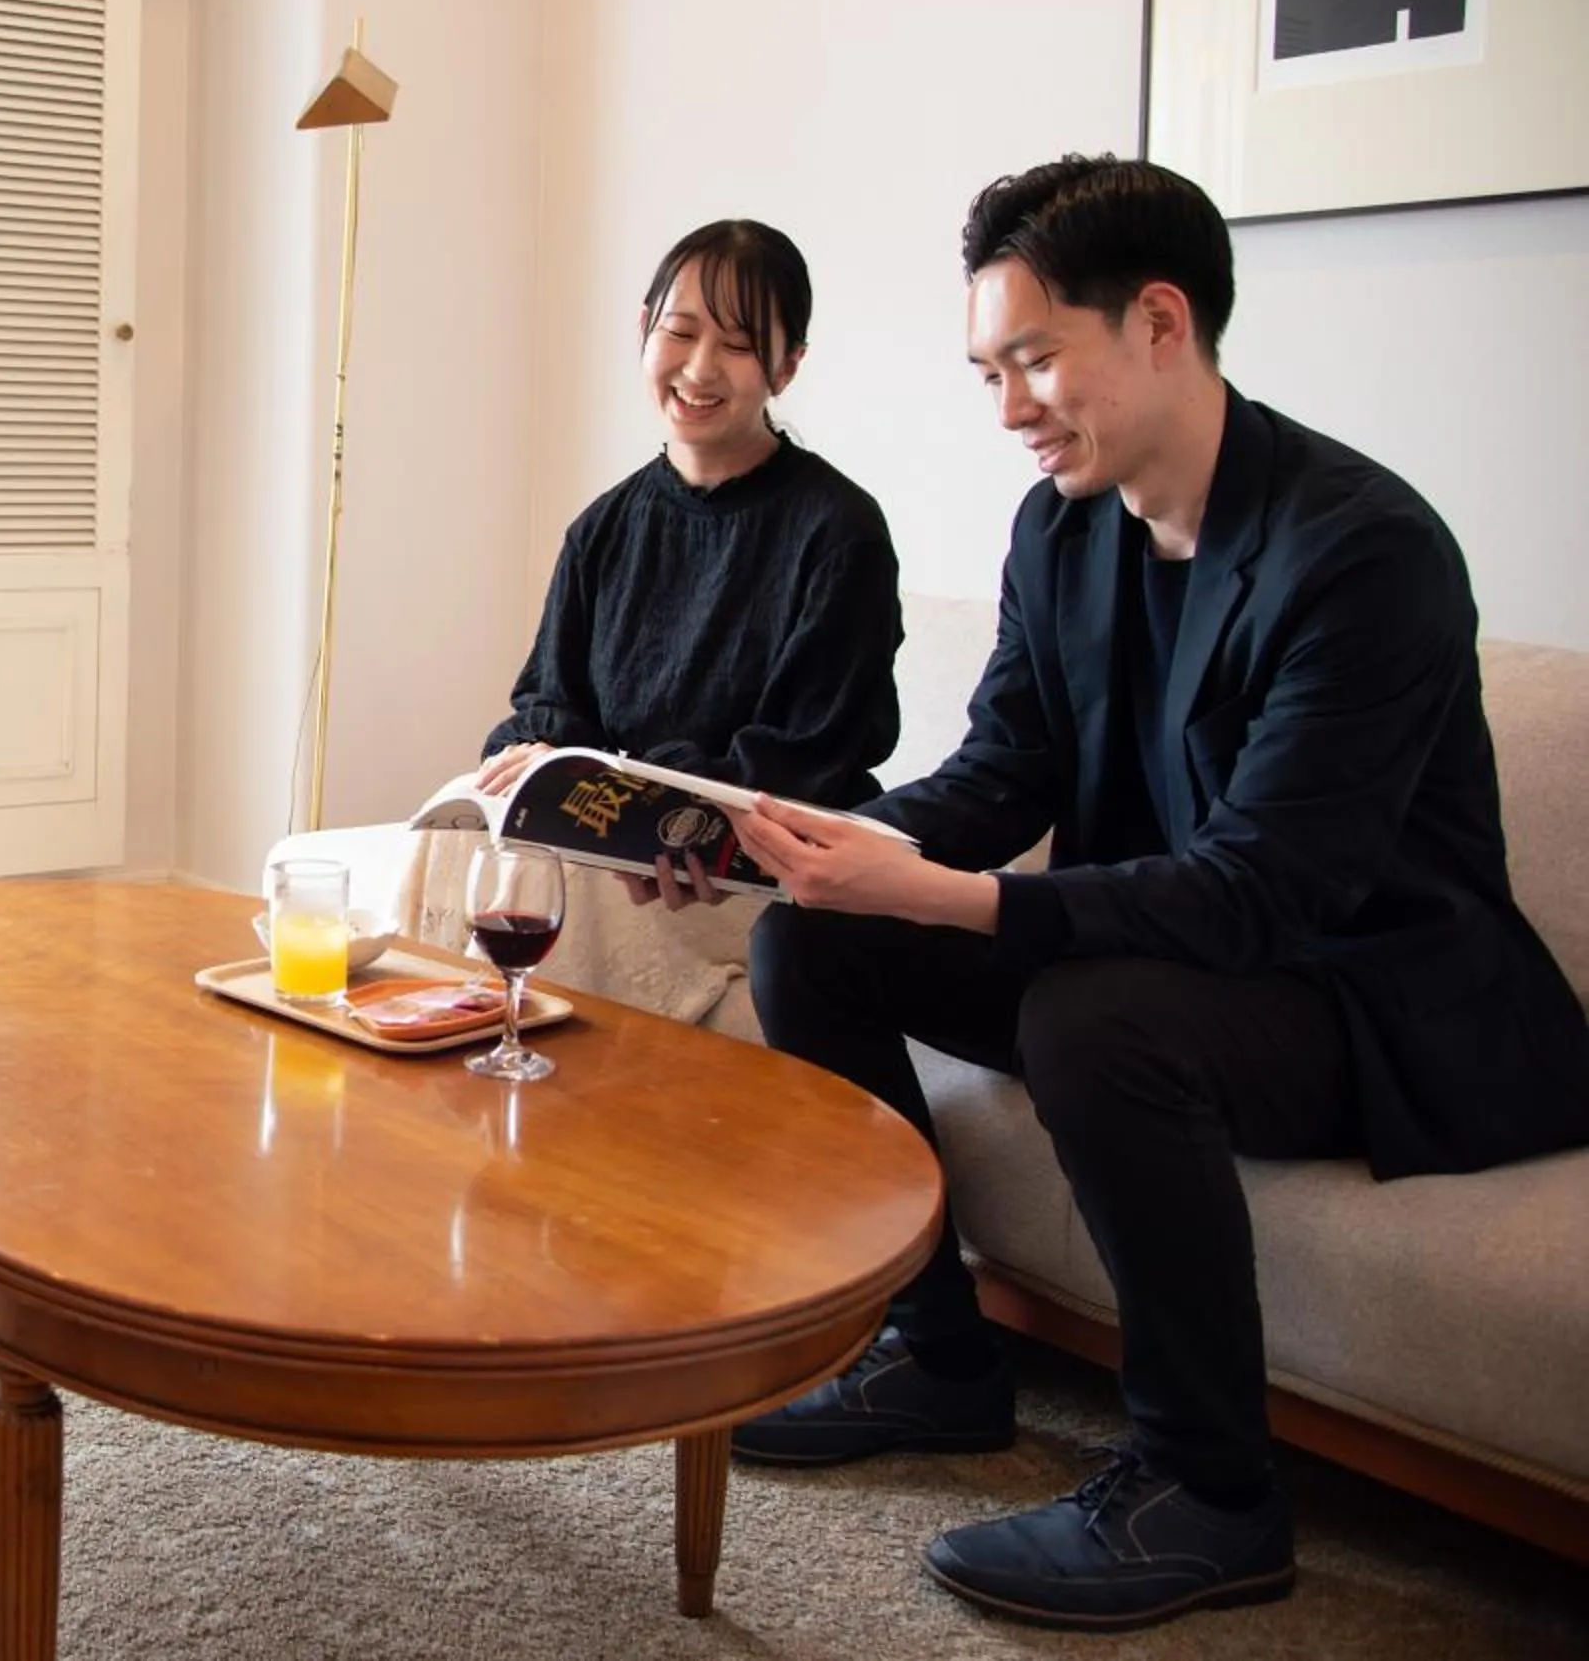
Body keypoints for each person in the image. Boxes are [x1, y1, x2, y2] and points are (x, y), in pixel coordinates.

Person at [721, 155, 1589, 1631]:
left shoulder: (1362, 551)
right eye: (989, 372)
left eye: (1035, 359)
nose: (1009, 407)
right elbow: (1003, 771)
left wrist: (963, 902)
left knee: (1093, 1018)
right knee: (809, 943)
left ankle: (1214, 1489)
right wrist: (808, 840)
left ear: (1163, 322)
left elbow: (1265, 891)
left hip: (1368, 996)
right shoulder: (1063, 528)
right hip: (1181, 957)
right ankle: (937, 1355)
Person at [416, 219, 899, 1024]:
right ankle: (443, 1074)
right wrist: (538, 756)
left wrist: (652, 801)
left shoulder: (839, 531)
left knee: (576, 888)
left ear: (787, 366)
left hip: (756, 862)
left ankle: (537, 1081)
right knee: (454, 828)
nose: (700, 368)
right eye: (680, 331)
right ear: (644, 329)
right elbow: (550, 702)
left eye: (739, 345)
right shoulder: (604, 527)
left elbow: (809, 755)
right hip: (624, 838)